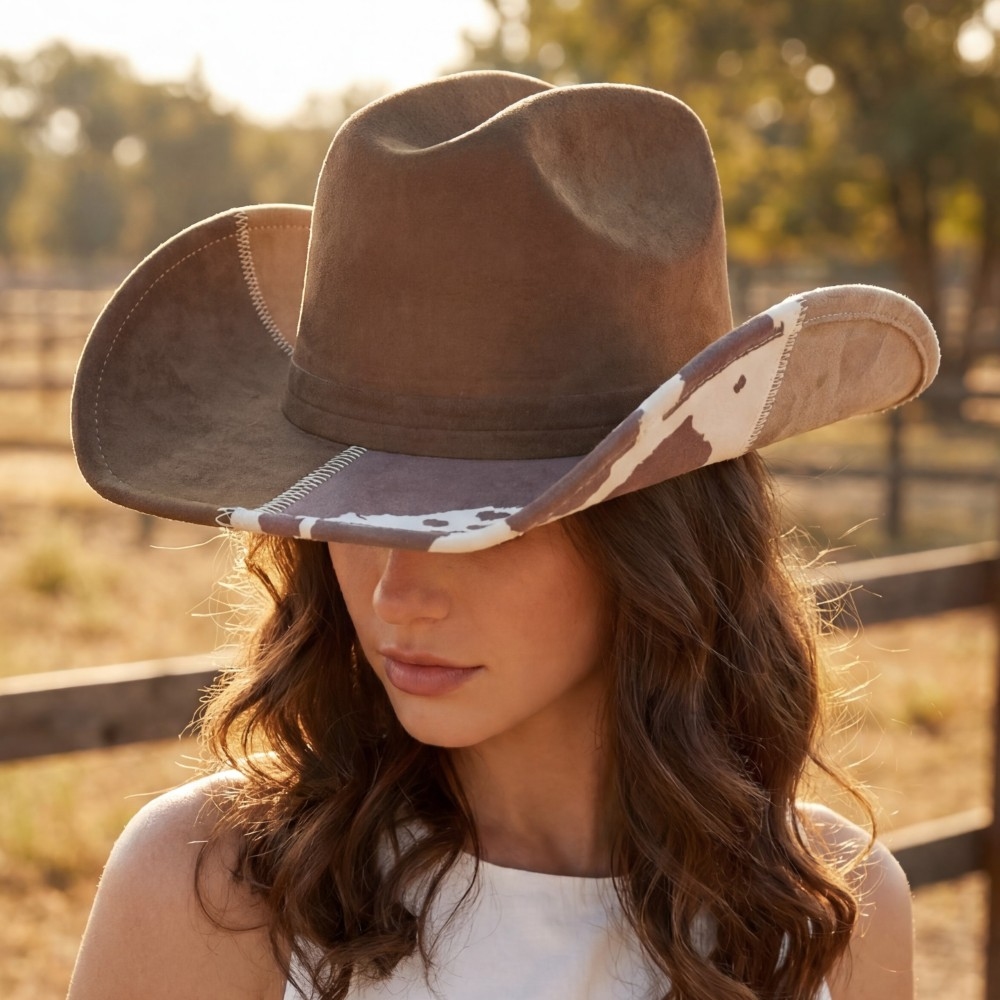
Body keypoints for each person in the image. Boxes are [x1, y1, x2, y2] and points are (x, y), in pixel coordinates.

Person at [67, 70, 938, 1000]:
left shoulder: (828, 913)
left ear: (654, 531)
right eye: (359, 517)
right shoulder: (217, 896)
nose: (398, 595)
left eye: (477, 526)